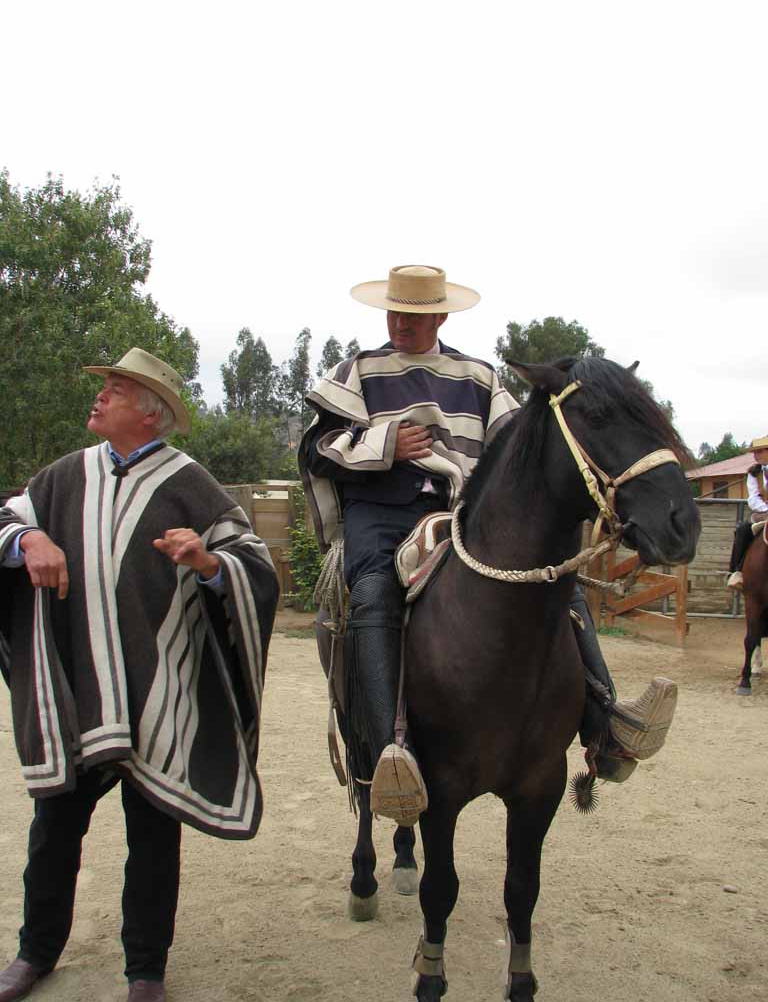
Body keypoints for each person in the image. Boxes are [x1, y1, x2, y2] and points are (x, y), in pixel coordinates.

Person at [299, 264, 677, 826]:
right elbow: (316, 450)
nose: (403, 322)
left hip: (461, 512)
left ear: (441, 316)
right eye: (396, 311)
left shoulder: (478, 375)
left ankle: (605, 721)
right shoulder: (357, 371)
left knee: (551, 582)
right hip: (381, 512)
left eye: (417, 314)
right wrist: (386, 444)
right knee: (374, 592)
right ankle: (387, 754)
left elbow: (515, 449)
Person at [0, 348, 280, 1002]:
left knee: (153, 839)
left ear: (149, 415)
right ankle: (35, 952)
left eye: (118, 390)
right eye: (106, 388)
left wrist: (210, 563)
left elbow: (254, 568)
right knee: (53, 832)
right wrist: (27, 542)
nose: (100, 398)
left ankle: (145, 972)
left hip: (163, 694)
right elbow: (9, 518)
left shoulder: (191, 484)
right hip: (78, 693)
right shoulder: (61, 478)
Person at [727, 434, 768, 590]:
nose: (756, 455)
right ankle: (736, 572)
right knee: (742, 530)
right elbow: (753, 499)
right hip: (763, 512)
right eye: (755, 452)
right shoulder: (754, 473)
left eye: (760, 451)